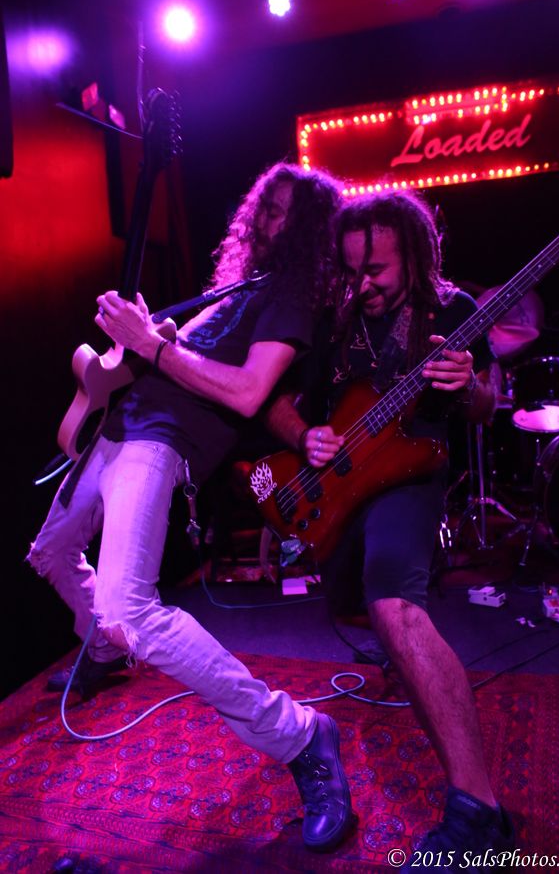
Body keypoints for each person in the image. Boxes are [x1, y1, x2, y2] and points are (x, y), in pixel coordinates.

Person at [27, 162, 356, 853]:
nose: (266, 223)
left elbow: (247, 392)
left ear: (307, 229)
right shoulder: (242, 287)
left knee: (129, 607)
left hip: (161, 442)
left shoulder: (291, 296)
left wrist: (150, 343)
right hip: (117, 427)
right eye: (264, 209)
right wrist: (142, 339)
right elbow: (169, 355)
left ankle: (300, 734)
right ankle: (104, 649)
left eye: (282, 214)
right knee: (52, 552)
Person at [264, 190, 515, 871]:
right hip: (344, 486)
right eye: (351, 271)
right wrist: (305, 434)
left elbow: (487, 405)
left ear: (414, 253)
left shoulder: (452, 312)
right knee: (360, 606)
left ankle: (478, 814)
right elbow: (278, 403)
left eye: (375, 270)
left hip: (410, 474)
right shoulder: (338, 316)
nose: (362, 285)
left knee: (395, 606)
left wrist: (466, 386)